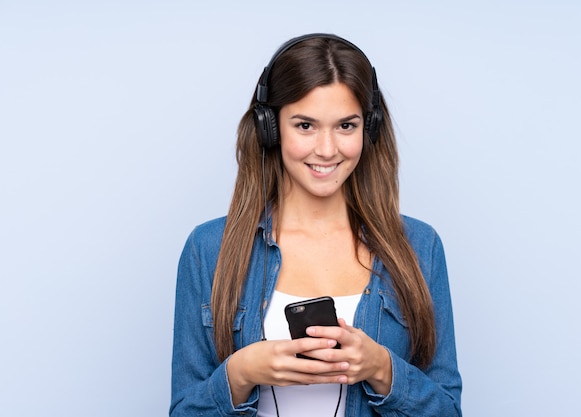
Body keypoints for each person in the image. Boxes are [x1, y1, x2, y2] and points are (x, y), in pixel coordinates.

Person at [170, 33, 462, 416]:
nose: (326, 149)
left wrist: (380, 368)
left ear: (368, 128)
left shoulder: (419, 246)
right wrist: (241, 374)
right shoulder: (208, 248)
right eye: (305, 126)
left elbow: (448, 410)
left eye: (346, 126)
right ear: (270, 128)